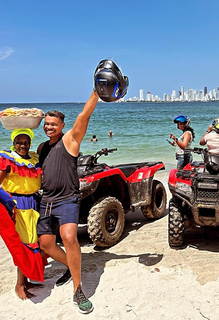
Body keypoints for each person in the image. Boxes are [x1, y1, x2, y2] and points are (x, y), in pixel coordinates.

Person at [36, 59, 128, 314]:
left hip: (67, 199)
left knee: (68, 238)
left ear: (62, 126)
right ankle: (72, 265)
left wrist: (97, 89)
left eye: (53, 124)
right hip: (47, 201)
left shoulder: (70, 139)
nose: (49, 127)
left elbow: (84, 114)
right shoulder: (42, 148)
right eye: (46, 124)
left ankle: (78, 290)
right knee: (46, 244)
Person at [0, 128, 42, 300]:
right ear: (14, 143)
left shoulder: (34, 160)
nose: (22, 145)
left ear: (30, 144)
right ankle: (19, 285)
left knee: (34, 243)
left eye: (26, 142)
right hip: (19, 207)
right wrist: (3, 205)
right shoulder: (8, 161)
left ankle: (26, 280)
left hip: (34, 203)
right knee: (24, 245)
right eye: (19, 142)